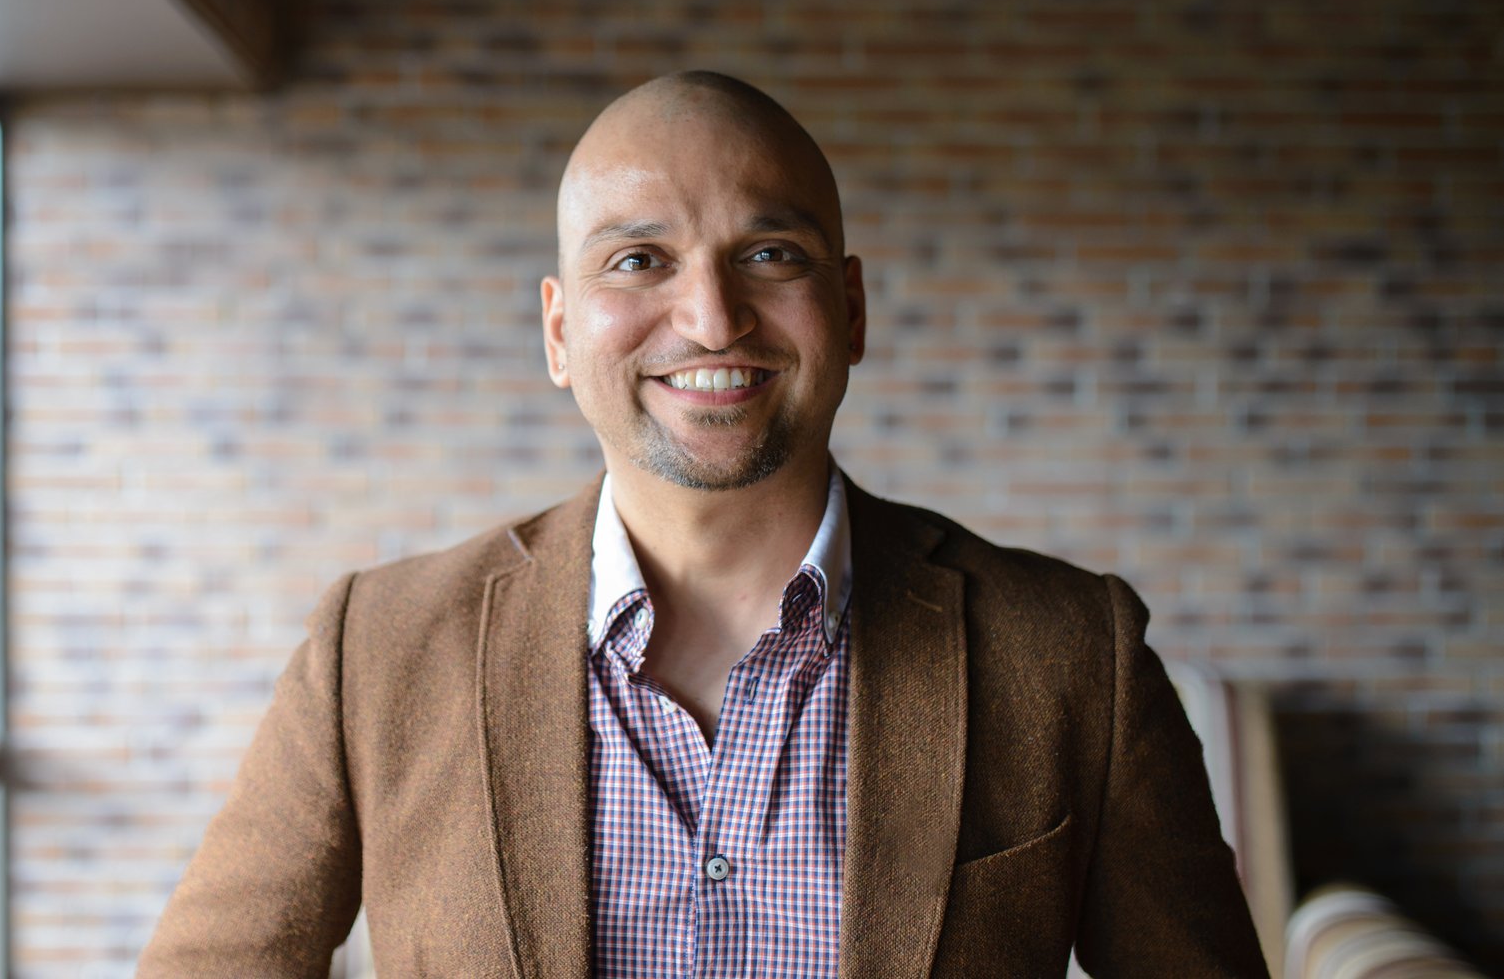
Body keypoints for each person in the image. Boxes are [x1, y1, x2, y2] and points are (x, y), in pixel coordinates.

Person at [138, 71, 1268, 977]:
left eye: (770, 255)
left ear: (852, 307)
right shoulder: (376, 651)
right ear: (559, 328)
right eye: (641, 260)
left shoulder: (1073, 653)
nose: (713, 316)